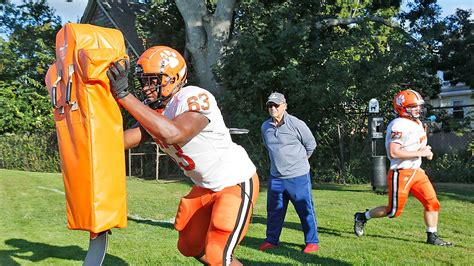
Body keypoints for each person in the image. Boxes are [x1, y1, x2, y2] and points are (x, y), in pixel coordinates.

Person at [107, 46, 260, 265]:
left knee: (218, 254)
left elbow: (174, 134)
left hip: (235, 180)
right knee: (189, 246)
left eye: (153, 81)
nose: (147, 88)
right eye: (144, 82)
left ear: (173, 78)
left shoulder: (194, 97)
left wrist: (124, 95)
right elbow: (119, 141)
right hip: (205, 186)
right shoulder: (159, 111)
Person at [353, 89, 453, 246]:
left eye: (418, 106)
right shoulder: (398, 125)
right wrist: (421, 152)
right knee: (393, 211)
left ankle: (432, 236)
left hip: (416, 171)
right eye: (413, 106)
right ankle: (362, 216)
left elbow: (417, 145)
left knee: (432, 203)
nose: (418, 109)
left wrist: (426, 153)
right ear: (402, 107)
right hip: (401, 172)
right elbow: (394, 152)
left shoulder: (417, 122)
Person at [259, 92, 320, 253]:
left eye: (276, 105)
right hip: (276, 177)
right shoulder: (265, 127)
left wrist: (300, 161)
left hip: (298, 177)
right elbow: (268, 147)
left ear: (284, 106)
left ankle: (312, 242)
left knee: (305, 209)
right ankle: (271, 240)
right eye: (270, 106)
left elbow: (311, 145)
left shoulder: (296, 124)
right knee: (274, 211)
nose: (273, 108)